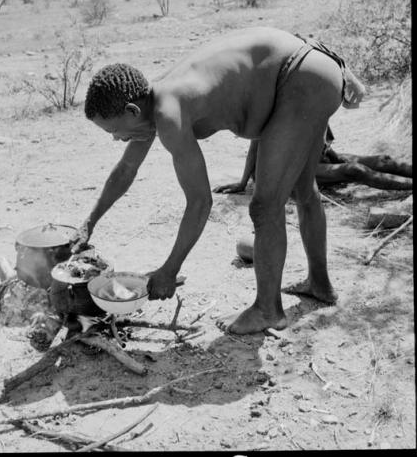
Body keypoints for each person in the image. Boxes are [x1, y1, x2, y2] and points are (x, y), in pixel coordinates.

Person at [69, 27, 366, 335]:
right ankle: (320, 284)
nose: (118, 139)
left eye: (114, 131)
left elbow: (200, 203)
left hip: (301, 80)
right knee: (304, 189)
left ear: (132, 111)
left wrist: (169, 270)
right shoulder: (150, 103)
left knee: (265, 207)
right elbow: (125, 170)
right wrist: (90, 222)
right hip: (311, 70)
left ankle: (268, 310)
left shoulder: (169, 113)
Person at [213, 128, 412, 194]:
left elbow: (324, 141)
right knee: (356, 170)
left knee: (383, 160)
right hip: (285, 168)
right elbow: (255, 146)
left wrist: (335, 157)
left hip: (314, 157)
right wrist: (242, 182)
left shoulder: (317, 96)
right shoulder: (275, 105)